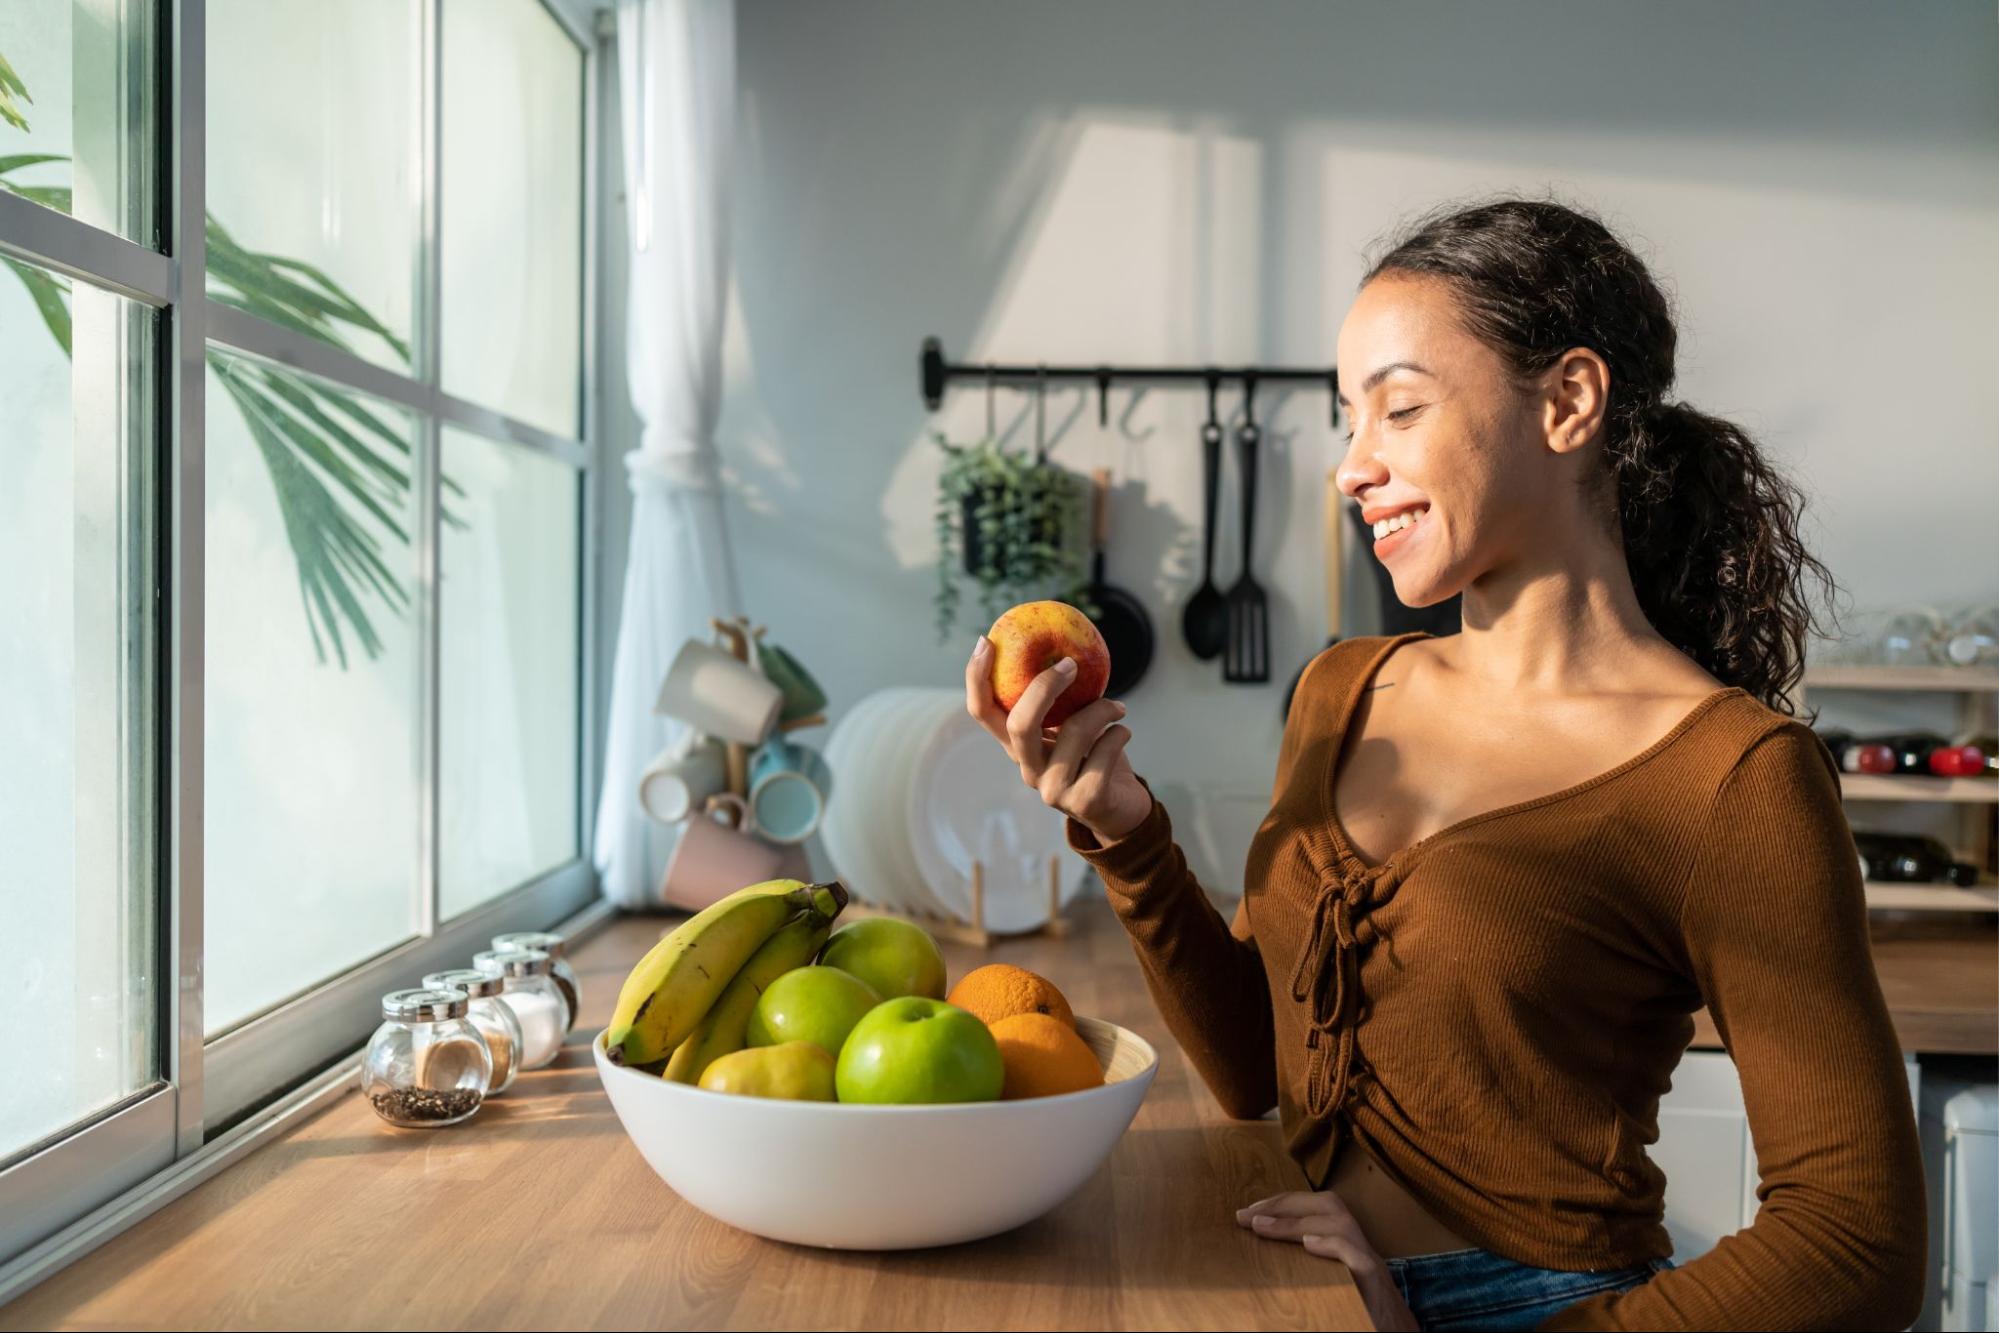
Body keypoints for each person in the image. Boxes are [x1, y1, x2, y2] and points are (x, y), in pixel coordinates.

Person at [961, 199, 1925, 1331]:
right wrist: (1125, 831)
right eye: (1345, 420)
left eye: (1399, 409)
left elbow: (1858, 1243)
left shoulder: (1733, 776)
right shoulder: (1341, 688)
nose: (1349, 469)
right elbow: (1253, 1072)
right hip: (1297, 1284)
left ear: (1567, 401)